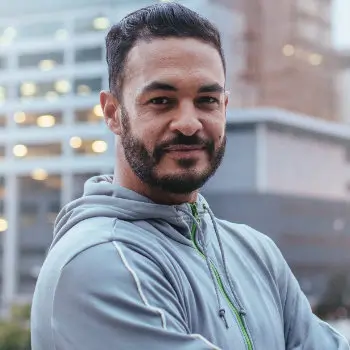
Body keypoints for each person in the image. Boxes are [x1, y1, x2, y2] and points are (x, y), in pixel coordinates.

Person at [30, 3, 349, 350]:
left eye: (206, 100)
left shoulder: (255, 251)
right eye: (161, 100)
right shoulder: (98, 261)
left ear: (225, 108)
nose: (188, 123)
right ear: (113, 113)